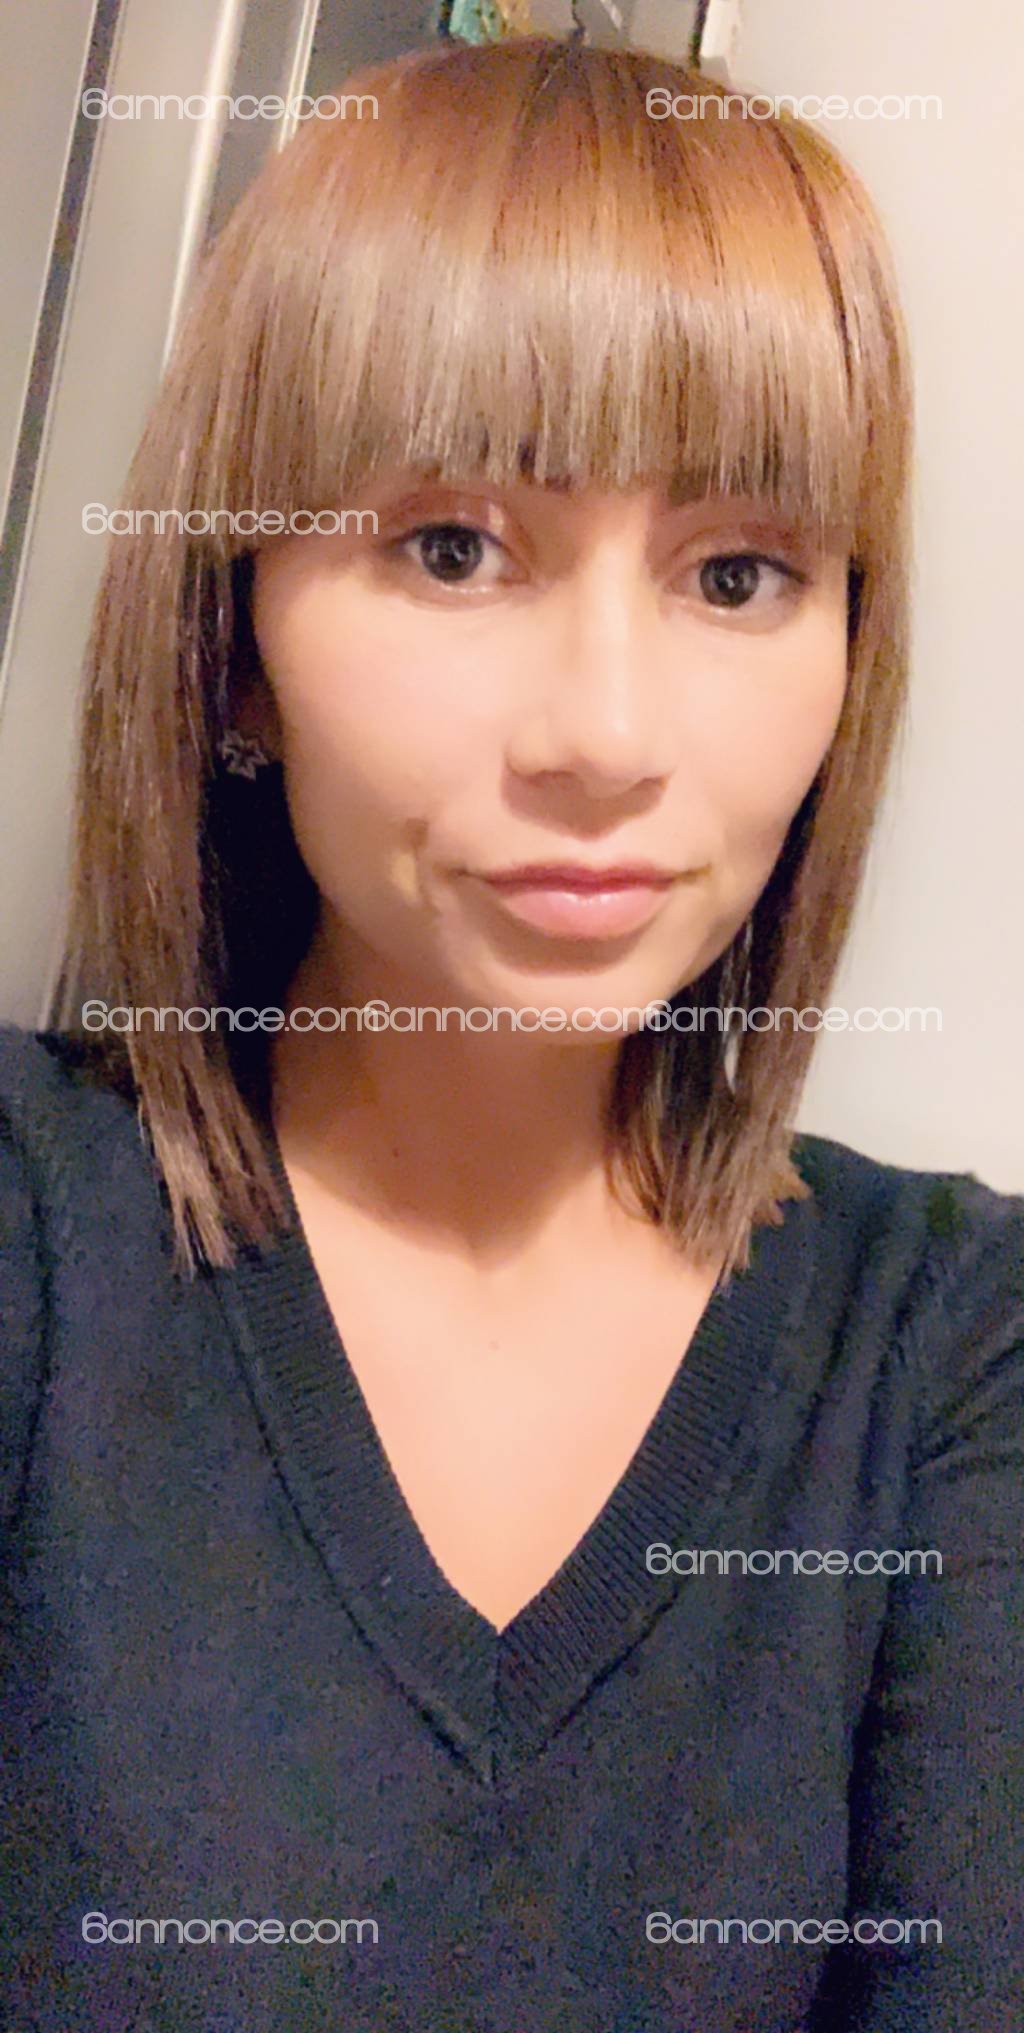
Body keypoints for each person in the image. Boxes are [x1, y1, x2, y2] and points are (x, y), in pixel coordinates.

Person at [2, 31, 1021, 2032]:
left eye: (739, 571)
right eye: (451, 548)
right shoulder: (39, 1243)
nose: (606, 735)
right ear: (233, 642)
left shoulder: (946, 1357)